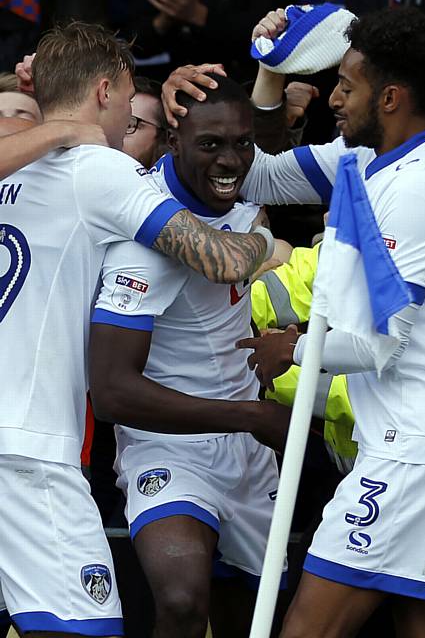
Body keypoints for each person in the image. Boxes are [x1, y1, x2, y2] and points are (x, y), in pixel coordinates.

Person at [164, 5, 425, 637]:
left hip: (413, 455)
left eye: (348, 85)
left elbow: (382, 347)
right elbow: (253, 177)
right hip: (419, 448)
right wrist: (270, 71)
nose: (334, 96)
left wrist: (291, 350)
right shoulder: (359, 161)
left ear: (393, 97)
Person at [0, 21, 273, 638]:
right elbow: (221, 260)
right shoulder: (98, 169)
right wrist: (268, 242)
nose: (129, 117)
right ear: (102, 91)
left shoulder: (12, 153)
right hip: (26, 445)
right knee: (86, 628)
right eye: (126, 100)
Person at [89, 74, 290, 638]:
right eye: (211, 145)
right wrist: (250, 415)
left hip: (251, 453)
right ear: (173, 140)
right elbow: (112, 392)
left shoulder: (246, 195)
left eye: (242, 144)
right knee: (181, 598)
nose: (231, 160)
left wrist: (270, 70)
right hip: (170, 445)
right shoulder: (145, 235)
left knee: (253, 619)